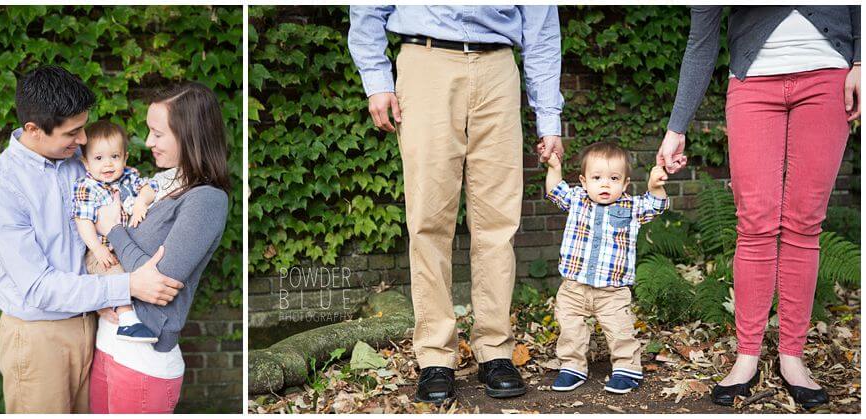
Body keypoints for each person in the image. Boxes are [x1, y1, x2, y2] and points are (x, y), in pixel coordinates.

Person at [348, 6, 564, 403]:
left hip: (498, 65)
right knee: (428, 220)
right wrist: (376, 80)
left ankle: (496, 351)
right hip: (425, 62)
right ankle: (435, 356)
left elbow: (542, 26)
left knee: (499, 222)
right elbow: (367, 8)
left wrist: (548, 117)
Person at [656, 6, 860, 409]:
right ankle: (746, 356)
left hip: (829, 77)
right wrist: (675, 129)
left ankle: (792, 358)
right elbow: (701, 43)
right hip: (752, 85)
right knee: (754, 223)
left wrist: (861, 60)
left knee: (804, 223)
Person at [0, 65, 183, 413]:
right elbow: (39, 287)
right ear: (34, 130)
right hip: (40, 336)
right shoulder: (1, 189)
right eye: (73, 132)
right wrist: (129, 286)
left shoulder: (77, 163)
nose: (83, 140)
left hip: (94, 321)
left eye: (83, 128)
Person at [88, 82, 230, 414]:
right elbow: (131, 274)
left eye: (157, 133)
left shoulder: (206, 199)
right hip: (106, 343)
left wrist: (113, 230)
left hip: (143, 362)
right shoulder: (161, 185)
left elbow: (158, 286)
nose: (148, 142)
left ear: (190, 134)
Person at [542, 142, 668, 394]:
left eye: (613, 178)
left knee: (619, 330)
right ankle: (572, 366)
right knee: (570, 329)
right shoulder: (577, 200)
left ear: (624, 184)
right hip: (574, 287)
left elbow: (656, 205)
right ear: (584, 181)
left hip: (612, 291)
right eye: (597, 178)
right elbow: (555, 190)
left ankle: (626, 368)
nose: (605, 184)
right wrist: (554, 167)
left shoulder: (631, 207)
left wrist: (656, 186)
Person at [73, 120, 160, 343]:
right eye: (99, 158)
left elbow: (151, 188)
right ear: (85, 162)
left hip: (129, 245)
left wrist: (141, 201)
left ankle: (143, 315)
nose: (108, 164)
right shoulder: (87, 186)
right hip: (102, 250)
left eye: (115, 156)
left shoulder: (130, 176)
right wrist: (96, 247)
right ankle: (128, 320)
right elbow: (83, 221)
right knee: (113, 273)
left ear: (125, 157)